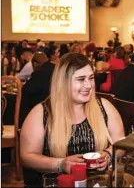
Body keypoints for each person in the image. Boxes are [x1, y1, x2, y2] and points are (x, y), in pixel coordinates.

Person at [20, 53, 125, 187]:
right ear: (62, 82)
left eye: (91, 78)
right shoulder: (41, 114)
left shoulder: (104, 107)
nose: (89, 85)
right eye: (81, 79)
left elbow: (121, 142)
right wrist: (60, 164)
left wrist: (108, 154)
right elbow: (27, 157)